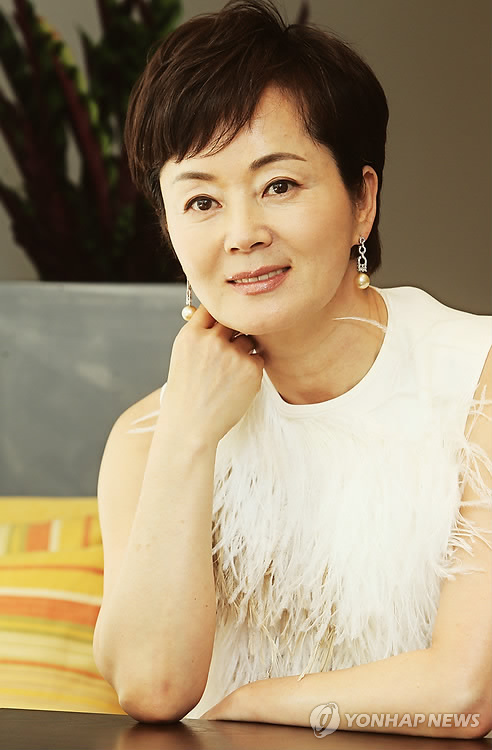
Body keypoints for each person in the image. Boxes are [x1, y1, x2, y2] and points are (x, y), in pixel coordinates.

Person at [92, 0, 492, 737]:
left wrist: (250, 703)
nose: (242, 234)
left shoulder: (476, 383)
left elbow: (463, 694)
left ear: (362, 200)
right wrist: (186, 440)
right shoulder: (149, 437)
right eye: (202, 200)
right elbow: (152, 687)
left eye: (279, 185)